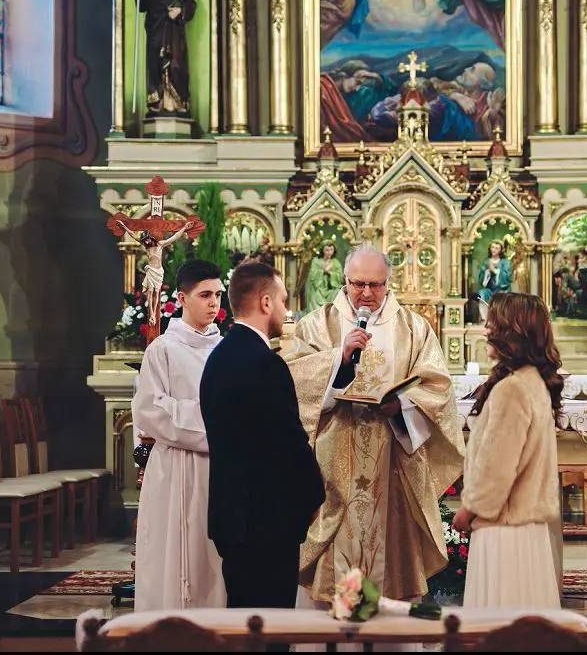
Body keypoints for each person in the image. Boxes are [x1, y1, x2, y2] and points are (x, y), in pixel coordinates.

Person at [284, 243, 465, 612]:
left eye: (376, 285)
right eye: (358, 284)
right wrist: (337, 362)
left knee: (389, 555)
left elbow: (437, 389)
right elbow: (293, 384)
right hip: (333, 462)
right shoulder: (317, 324)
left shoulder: (413, 329)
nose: (366, 293)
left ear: (388, 283)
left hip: (392, 461)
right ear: (344, 280)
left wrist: (401, 406)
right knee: (334, 564)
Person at [200, 262, 325, 618]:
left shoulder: (219, 357)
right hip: (267, 523)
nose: (287, 311)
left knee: (243, 622)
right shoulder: (264, 363)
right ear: (266, 302)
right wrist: (315, 495)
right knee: (270, 628)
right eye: (284, 301)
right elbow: (288, 443)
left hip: (233, 518)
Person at [453, 292, 563, 608]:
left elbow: (496, 468)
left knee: (500, 620)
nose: (485, 331)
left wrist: (468, 510)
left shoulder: (512, 389)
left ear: (511, 333)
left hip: (505, 531)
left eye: (492, 324)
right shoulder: (532, 381)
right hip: (526, 529)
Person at [132, 260, 226, 611]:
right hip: (175, 468)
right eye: (204, 295)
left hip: (217, 468)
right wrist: (216, 424)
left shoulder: (224, 348)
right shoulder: (163, 349)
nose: (213, 303)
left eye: (218, 295)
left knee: (211, 555)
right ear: (182, 298)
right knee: (174, 553)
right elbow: (150, 410)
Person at [137, 0, 197, 115]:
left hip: (174, 33)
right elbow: (142, 7)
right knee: (155, 66)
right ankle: (158, 103)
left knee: (176, 66)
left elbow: (191, 5)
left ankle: (177, 104)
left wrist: (179, 11)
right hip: (155, 32)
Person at [115, 219, 193, 325]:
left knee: (157, 292)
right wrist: (124, 226)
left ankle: (154, 313)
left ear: (150, 238)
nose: (146, 242)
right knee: (150, 293)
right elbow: (133, 235)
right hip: (151, 271)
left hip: (158, 271)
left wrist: (184, 228)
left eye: (147, 239)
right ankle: (151, 314)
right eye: (144, 240)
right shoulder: (147, 247)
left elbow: (174, 237)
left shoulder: (160, 245)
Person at [304, 241, 344, 313]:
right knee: (314, 294)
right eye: (327, 250)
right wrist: (322, 271)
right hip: (318, 288)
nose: (329, 252)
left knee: (338, 292)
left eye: (331, 249)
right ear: (322, 250)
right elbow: (312, 276)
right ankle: (316, 314)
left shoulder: (336, 262)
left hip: (330, 289)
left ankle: (331, 314)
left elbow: (340, 277)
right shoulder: (316, 261)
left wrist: (330, 273)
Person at [476, 240, 512, 319]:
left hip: (502, 290)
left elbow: (507, 278)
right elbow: (482, 280)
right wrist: (487, 272)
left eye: (496, 248)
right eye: (492, 247)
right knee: (482, 293)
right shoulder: (486, 262)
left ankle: (502, 319)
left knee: (503, 297)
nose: (494, 250)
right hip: (490, 290)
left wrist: (495, 271)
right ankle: (485, 319)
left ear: (501, 250)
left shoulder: (505, 262)